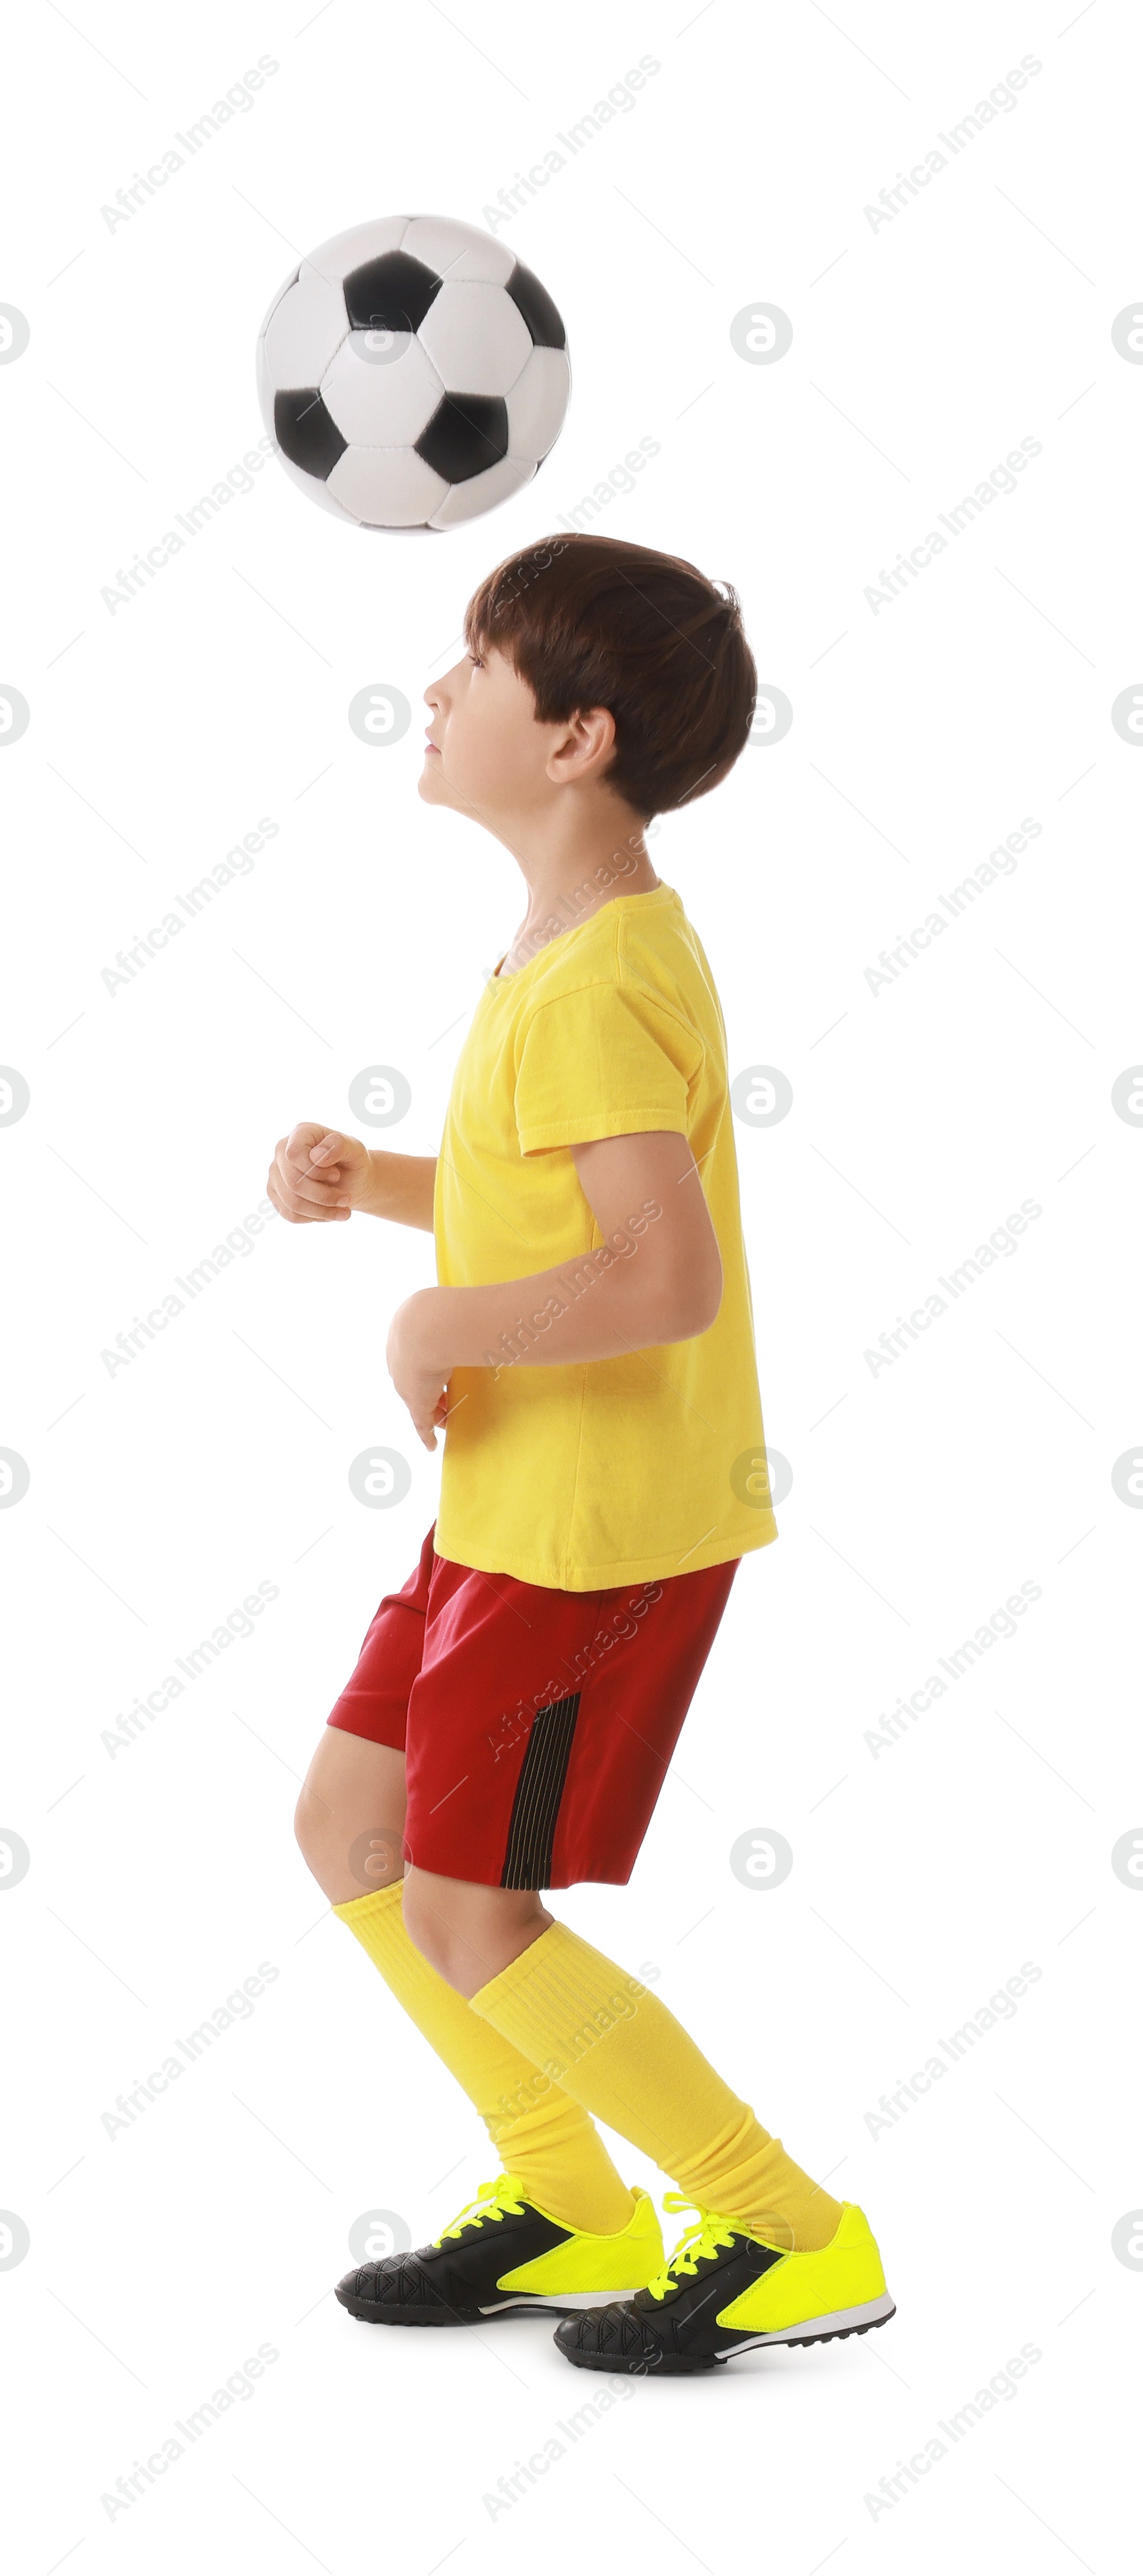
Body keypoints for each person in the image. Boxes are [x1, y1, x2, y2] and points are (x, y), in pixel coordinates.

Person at [274, 531, 893, 2376]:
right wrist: (378, 1190)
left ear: (573, 740)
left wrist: (435, 1324)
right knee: (348, 1827)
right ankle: (568, 2194)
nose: (446, 687)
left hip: (595, 1539)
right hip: (516, 1509)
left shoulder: (607, 975)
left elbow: (662, 1272)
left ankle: (790, 2228)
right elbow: (549, 1212)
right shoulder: (562, 946)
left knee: (470, 1903)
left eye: (481, 661)